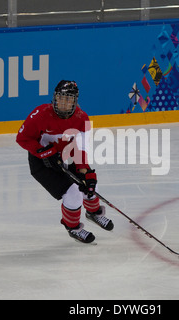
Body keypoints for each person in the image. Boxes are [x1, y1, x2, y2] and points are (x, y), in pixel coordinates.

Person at [16, 80, 113, 244]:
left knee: (89, 184)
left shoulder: (82, 118)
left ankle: (94, 212)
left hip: (66, 155)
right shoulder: (40, 114)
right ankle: (73, 228)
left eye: (69, 99)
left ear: (75, 101)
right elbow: (22, 138)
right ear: (55, 98)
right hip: (41, 162)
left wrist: (85, 173)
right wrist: (46, 153)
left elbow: (81, 149)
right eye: (61, 98)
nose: (64, 103)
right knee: (73, 193)